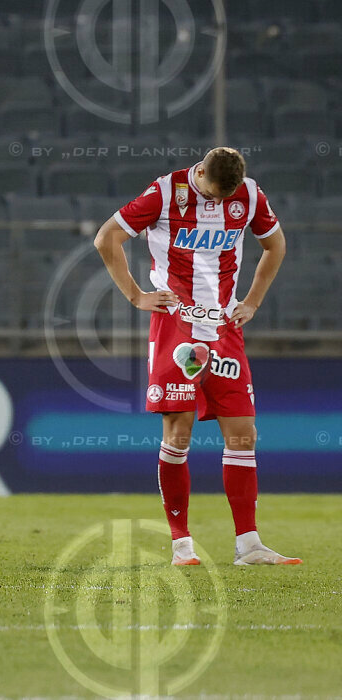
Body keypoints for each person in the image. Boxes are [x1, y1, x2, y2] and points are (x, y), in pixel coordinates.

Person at [94, 147, 300, 566]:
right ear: (200, 172)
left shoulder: (251, 196)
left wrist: (253, 302)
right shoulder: (166, 192)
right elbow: (106, 238)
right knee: (179, 432)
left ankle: (249, 544)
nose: (221, 202)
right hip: (175, 325)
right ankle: (181, 544)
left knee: (243, 433)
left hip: (225, 328)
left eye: (229, 197)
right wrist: (136, 295)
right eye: (213, 193)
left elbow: (275, 246)